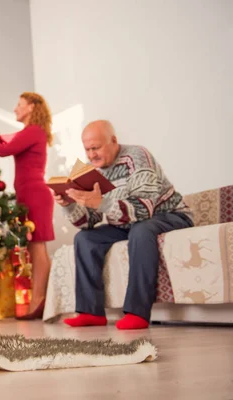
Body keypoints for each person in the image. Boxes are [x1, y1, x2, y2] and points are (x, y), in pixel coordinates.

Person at [56, 120, 193, 330]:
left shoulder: (137, 156)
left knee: (141, 229)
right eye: (87, 149)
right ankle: (90, 311)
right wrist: (69, 204)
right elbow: (88, 223)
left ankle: (137, 312)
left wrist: (100, 202)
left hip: (170, 215)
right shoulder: (94, 171)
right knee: (84, 239)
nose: (91, 155)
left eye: (96, 147)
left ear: (113, 141)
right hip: (127, 223)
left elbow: (143, 210)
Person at [0, 92, 55, 320]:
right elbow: (2, 138)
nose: (15, 109)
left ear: (32, 107)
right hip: (29, 193)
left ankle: (38, 301)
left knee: (38, 247)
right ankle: (39, 300)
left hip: (36, 194)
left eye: (19, 105)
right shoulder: (29, 133)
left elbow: (3, 149)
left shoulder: (33, 131)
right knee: (35, 246)